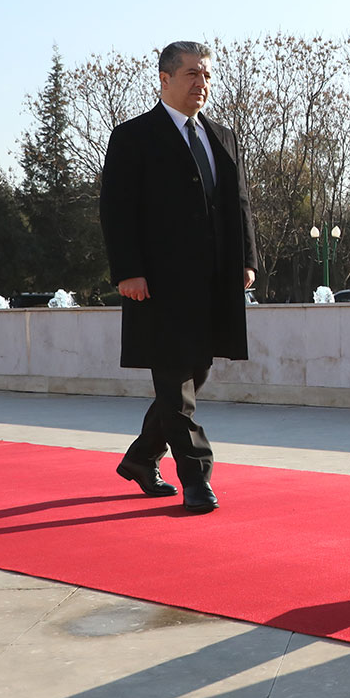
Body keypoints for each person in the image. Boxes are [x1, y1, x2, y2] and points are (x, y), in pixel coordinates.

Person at [99, 41, 258, 514]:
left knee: (197, 372)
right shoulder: (133, 137)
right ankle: (196, 477)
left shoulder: (223, 136)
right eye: (191, 74)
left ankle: (142, 457)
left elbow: (241, 204)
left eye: (205, 74)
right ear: (164, 79)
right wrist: (128, 271)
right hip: (159, 286)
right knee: (175, 383)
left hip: (212, 284)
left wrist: (248, 259)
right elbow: (116, 211)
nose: (201, 83)